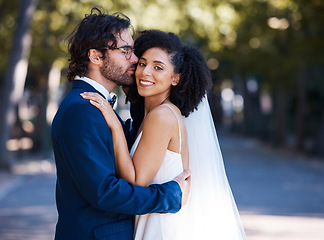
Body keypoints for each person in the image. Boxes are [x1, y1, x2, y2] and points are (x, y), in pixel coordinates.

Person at [82, 30, 247, 239]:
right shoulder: (153, 115)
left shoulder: (162, 116)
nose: (145, 72)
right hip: (154, 219)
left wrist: (115, 126)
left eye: (158, 67)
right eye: (142, 63)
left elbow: (136, 182)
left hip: (162, 227)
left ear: (175, 78)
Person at [51, 8, 191, 240]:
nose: (135, 60)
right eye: (125, 51)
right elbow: (104, 192)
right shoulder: (82, 110)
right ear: (95, 56)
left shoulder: (96, 106)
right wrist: (170, 195)